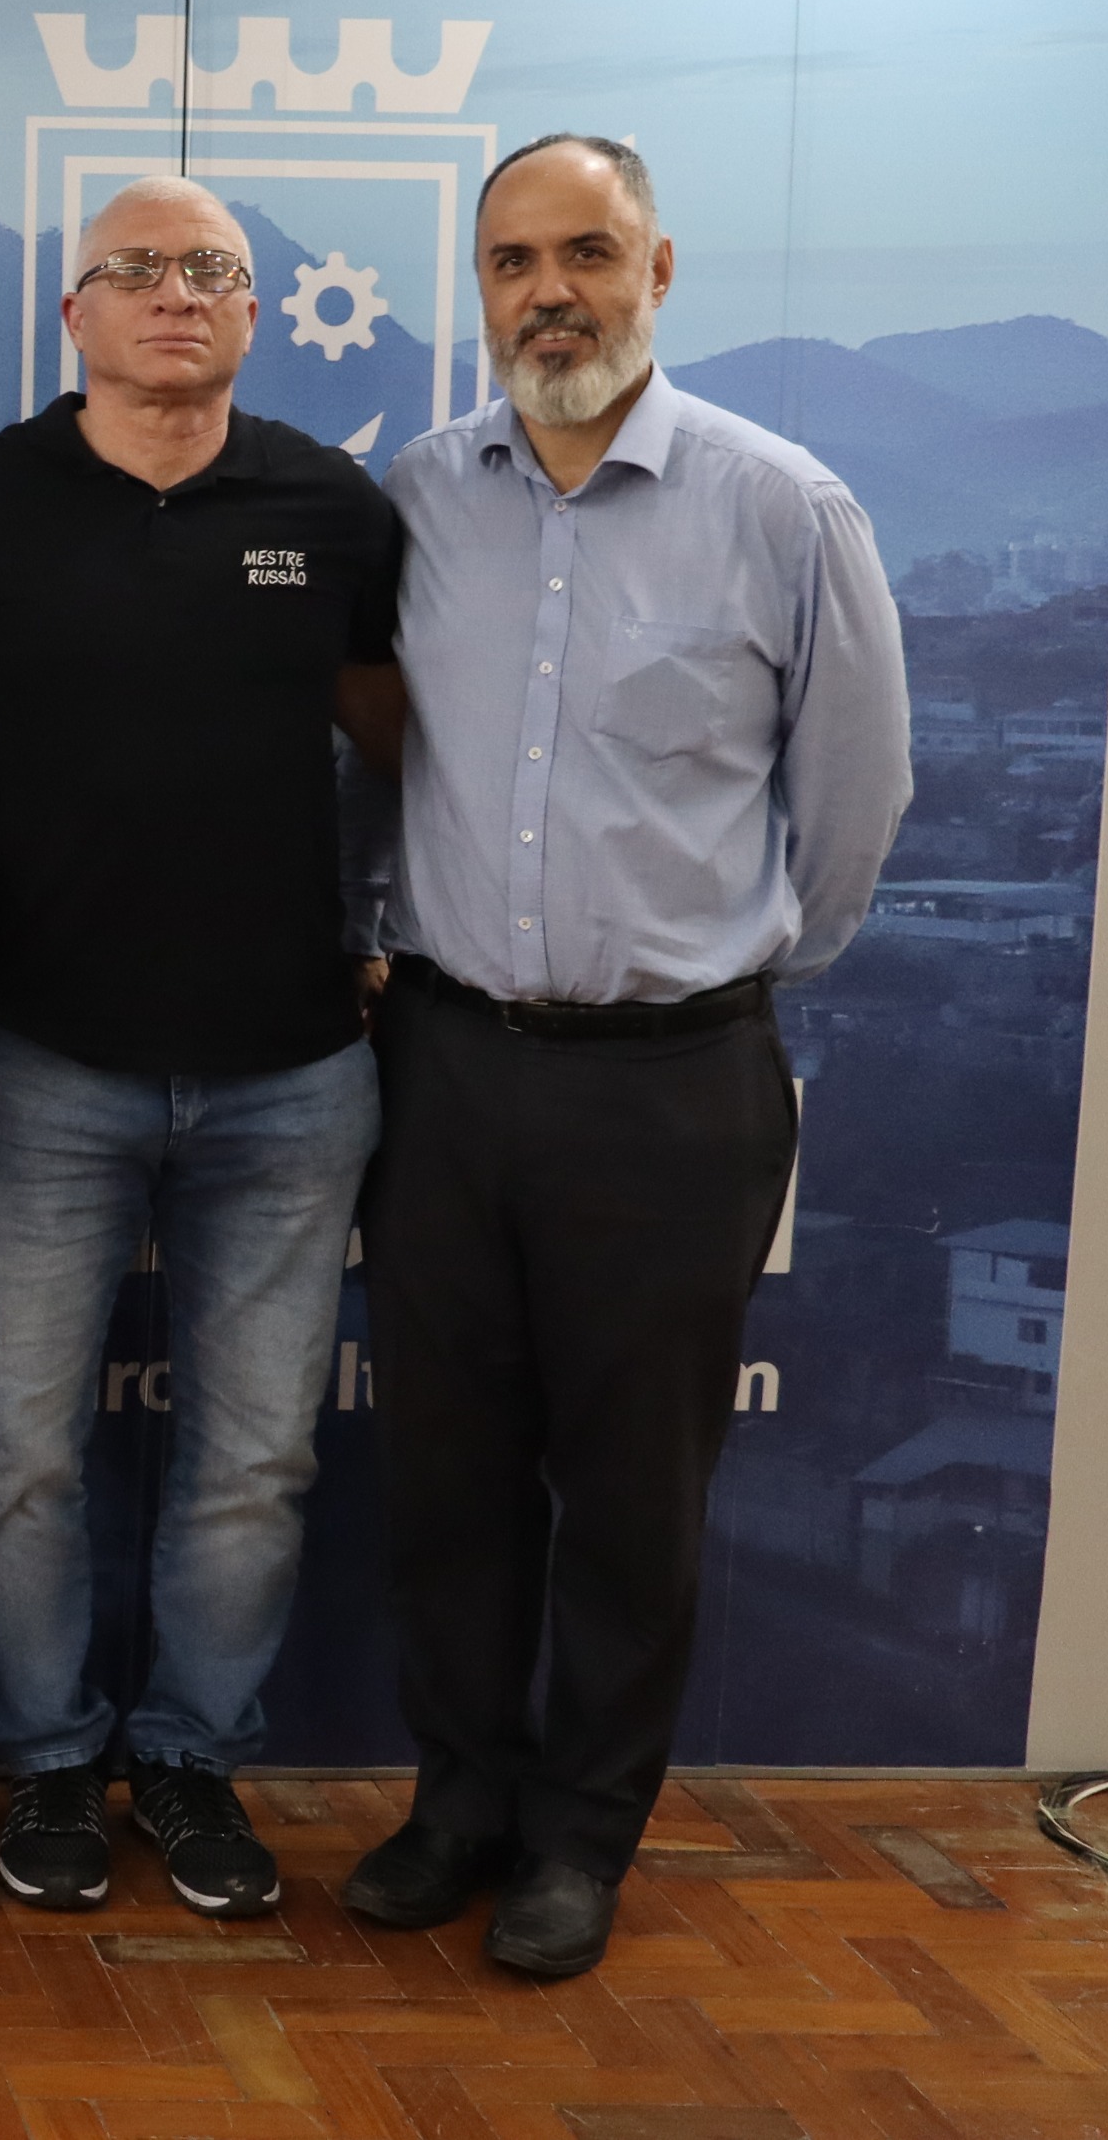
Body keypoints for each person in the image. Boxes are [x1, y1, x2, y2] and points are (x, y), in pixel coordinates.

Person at [346, 133, 906, 1979]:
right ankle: (460, 1802)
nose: (550, 293)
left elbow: (852, 807)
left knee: (634, 1488)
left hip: (676, 1086)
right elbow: (374, 754)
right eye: (513, 261)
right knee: (449, 1475)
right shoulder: (421, 495)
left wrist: (709, 982)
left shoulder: (783, 506)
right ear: (481, 286)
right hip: (445, 1068)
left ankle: (582, 1835)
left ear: (659, 269)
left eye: (587, 252)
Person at [0, 175, 405, 1919]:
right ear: (74, 312)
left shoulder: (332, 506)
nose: (178, 292)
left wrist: (389, 929)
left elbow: (410, 744)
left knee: (257, 1456)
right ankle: (46, 1760)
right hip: (44, 1062)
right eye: (138, 268)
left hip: (293, 1071)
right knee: (20, 1452)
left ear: (251, 315)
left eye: (211, 269)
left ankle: (189, 1759)